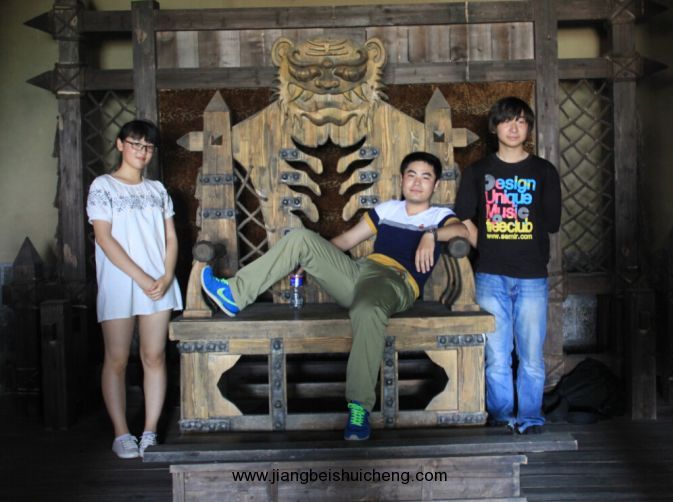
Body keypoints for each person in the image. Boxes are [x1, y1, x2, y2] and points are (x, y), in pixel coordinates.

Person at [201, 151, 471, 440]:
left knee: (367, 309)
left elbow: (463, 231)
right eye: (411, 175)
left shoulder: (439, 217)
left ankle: (359, 408)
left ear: (435, 185)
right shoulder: (387, 210)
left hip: (395, 282)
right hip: (360, 272)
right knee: (301, 239)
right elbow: (346, 240)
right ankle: (235, 294)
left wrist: (431, 234)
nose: (417, 182)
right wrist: (311, 259)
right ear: (402, 179)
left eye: (425, 177)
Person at [455, 97, 562, 434]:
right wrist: (486, 245)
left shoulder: (544, 171)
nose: (513, 128)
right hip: (490, 275)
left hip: (532, 276)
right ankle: (501, 418)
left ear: (528, 128)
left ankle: (530, 418)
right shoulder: (478, 172)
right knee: (497, 356)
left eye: (520, 121)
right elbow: (462, 217)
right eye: (506, 121)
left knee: (531, 356)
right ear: (494, 127)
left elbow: (553, 223)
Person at [86, 120, 183, 458]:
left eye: (148, 147)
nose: (142, 152)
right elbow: (104, 238)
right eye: (136, 144)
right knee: (116, 359)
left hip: (158, 284)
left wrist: (166, 276)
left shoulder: (157, 190)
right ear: (120, 145)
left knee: (154, 356)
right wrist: (141, 278)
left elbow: (171, 237)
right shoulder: (103, 186)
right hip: (120, 283)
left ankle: (150, 431)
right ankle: (121, 433)